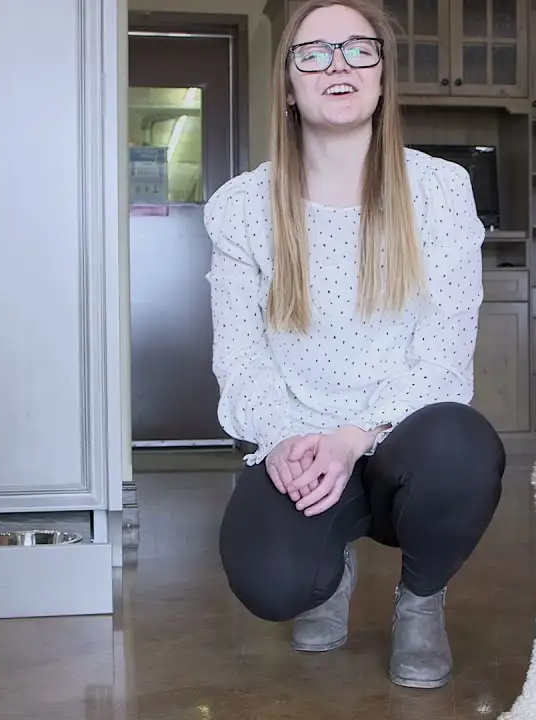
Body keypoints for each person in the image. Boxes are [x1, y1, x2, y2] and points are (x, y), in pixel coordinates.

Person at [203, 0, 506, 690]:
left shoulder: (439, 191)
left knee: (460, 445)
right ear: (287, 82)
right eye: (313, 53)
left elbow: (444, 354)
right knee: (273, 583)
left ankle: (421, 601)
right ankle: (326, 566)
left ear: (381, 76)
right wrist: (283, 439)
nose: (337, 65)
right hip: (301, 445)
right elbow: (240, 358)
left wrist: (353, 438)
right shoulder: (241, 207)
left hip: (401, 437)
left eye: (357, 49)